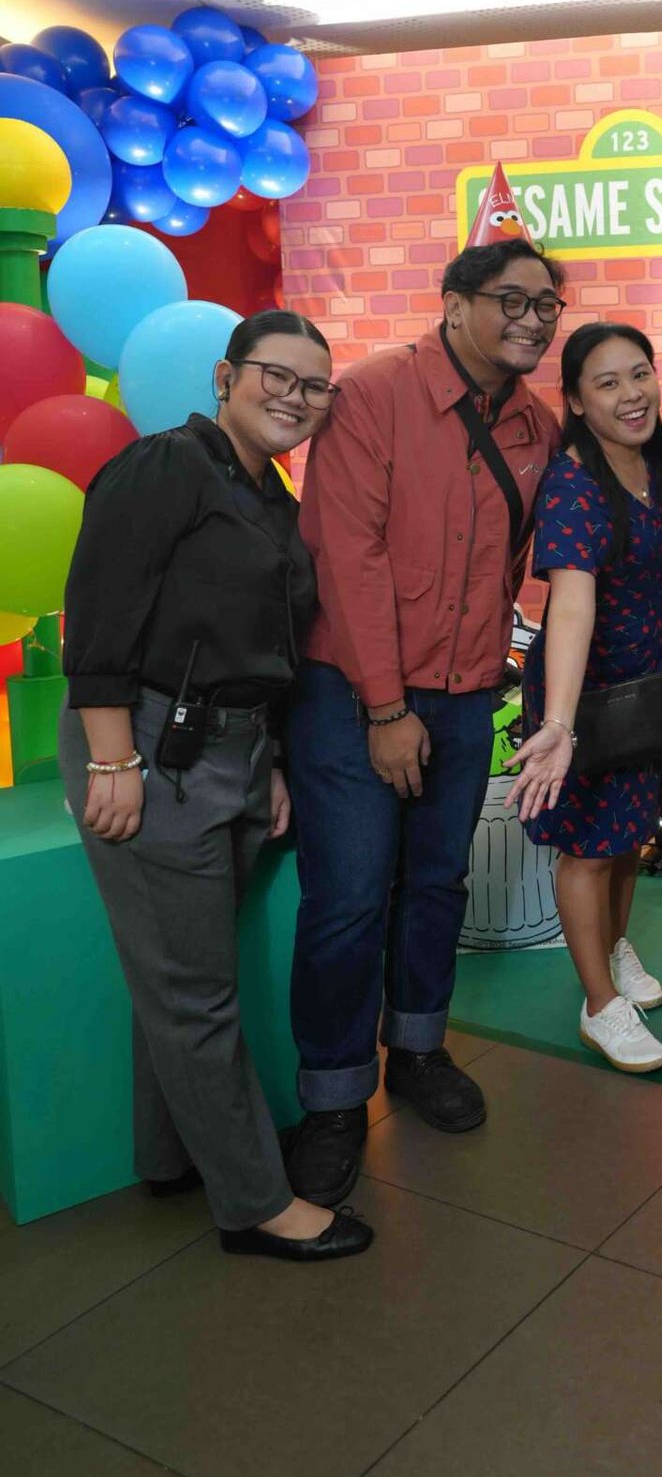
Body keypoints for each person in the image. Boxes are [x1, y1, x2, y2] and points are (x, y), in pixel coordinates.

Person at [59, 312, 371, 1263]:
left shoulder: (271, 496)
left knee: (181, 975)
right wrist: (113, 758)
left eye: (315, 388)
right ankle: (255, 1206)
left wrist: (267, 763)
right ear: (227, 376)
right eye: (277, 375)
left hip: (236, 750)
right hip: (150, 741)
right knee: (194, 993)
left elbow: (263, 647)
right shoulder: (166, 465)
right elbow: (99, 609)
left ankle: (170, 1157)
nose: (295, 398)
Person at [284, 238, 564, 1205]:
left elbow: (517, 559)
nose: (533, 320)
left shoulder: (535, 425)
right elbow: (345, 555)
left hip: (467, 690)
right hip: (354, 693)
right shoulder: (371, 395)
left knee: (439, 883)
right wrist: (387, 706)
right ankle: (332, 1099)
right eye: (512, 300)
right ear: (454, 304)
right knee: (350, 896)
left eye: (547, 306)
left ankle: (416, 1049)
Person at [505, 323, 662, 1075]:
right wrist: (559, 722)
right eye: (607, 383)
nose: (631, 394)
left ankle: (612, 948)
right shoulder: (574, 483)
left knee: (628, 835)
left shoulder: (656, 463)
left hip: (643, 686)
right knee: (587, 850)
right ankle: (598, 1004)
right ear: (577, 401)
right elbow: (572, 604)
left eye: (639, 374)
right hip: (581, 693)